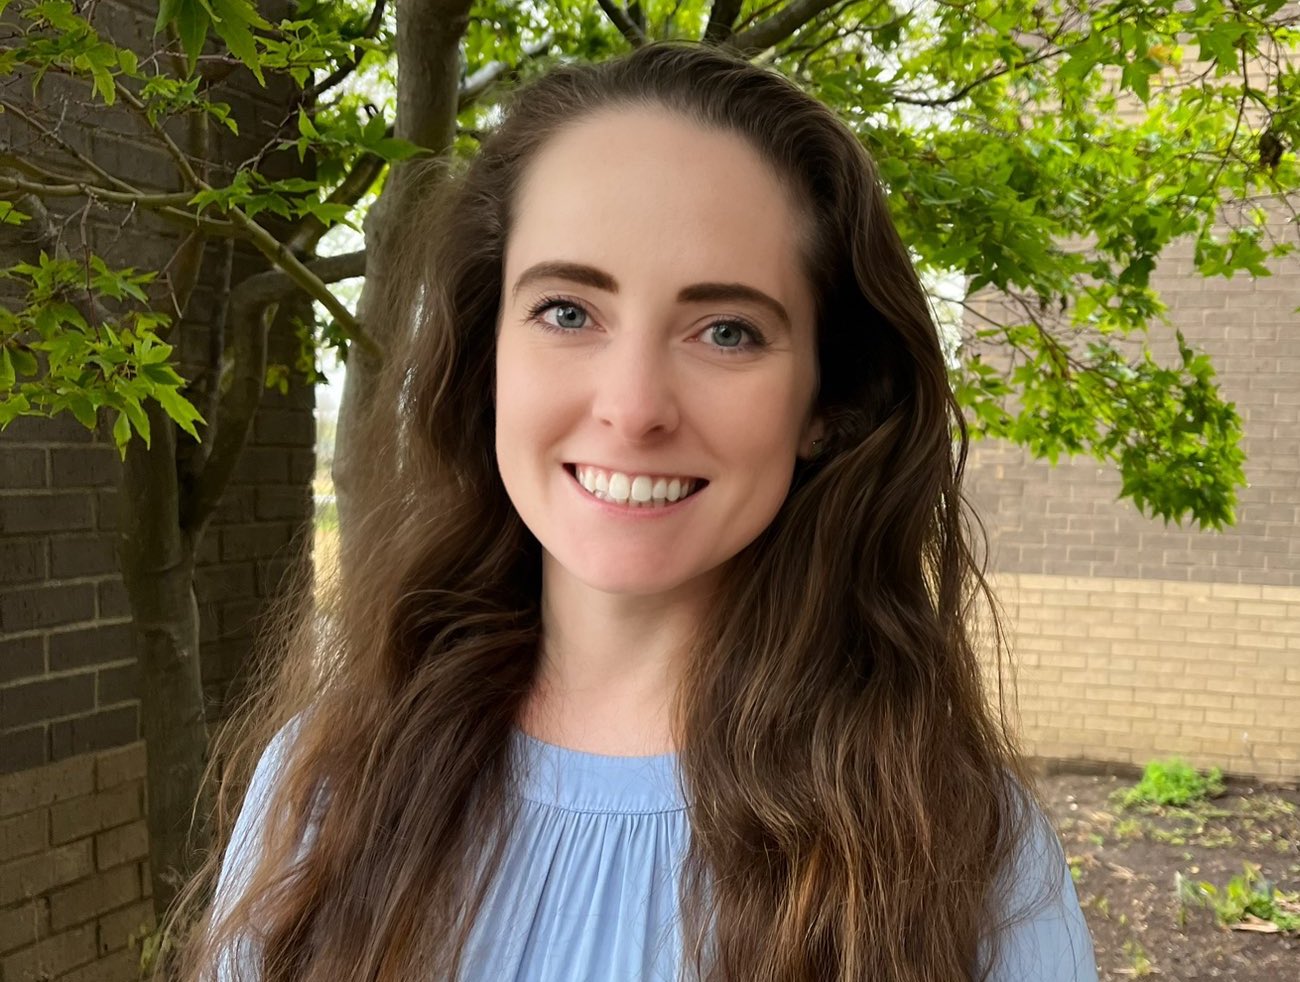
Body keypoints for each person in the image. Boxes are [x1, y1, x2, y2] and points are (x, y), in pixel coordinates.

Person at [174, 41, 1097, 982]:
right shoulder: (326, 788)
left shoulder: (958, 850)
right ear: (486, 350)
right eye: (568, 311)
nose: (633, 406)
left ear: (829, 403)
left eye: (727, 330)